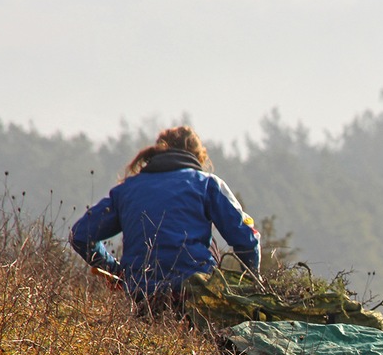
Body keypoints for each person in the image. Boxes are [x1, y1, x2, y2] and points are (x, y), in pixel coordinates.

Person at [70, 126, 260, 315]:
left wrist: (116, 271)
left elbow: (80, 235)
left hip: (142, 295)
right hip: (195, 295)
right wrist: (253, 285)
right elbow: (246, 240)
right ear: (197, 156)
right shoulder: (206, 184)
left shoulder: (126, 190)